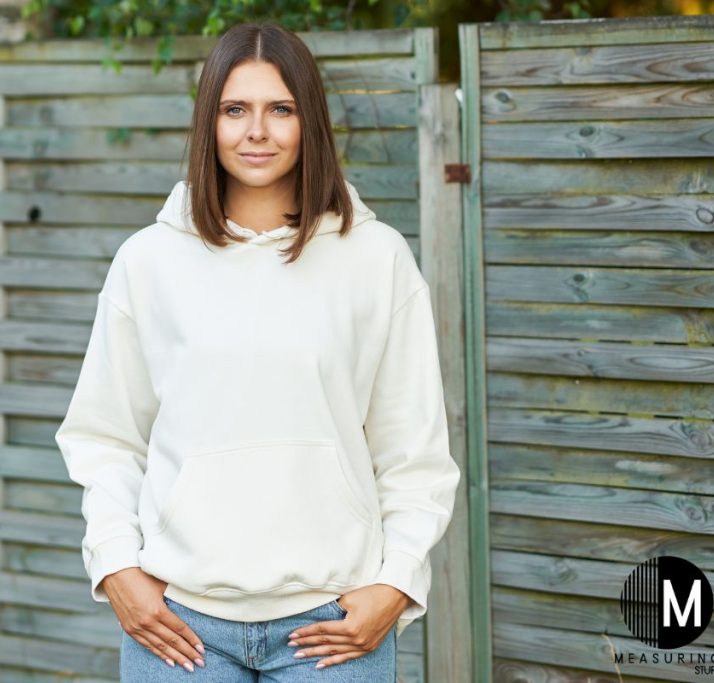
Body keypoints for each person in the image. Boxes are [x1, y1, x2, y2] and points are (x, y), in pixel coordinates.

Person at [55, 20, 461, 681]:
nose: (256, 131)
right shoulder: (149, 261)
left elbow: (414, 452)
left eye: (281, 109)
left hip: (331, 628)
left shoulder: (375, 258)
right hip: (179, 627)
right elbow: (105, 437)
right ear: (208, 123)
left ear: (311, 124)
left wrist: (397, 582)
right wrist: (116, 565)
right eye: (235, 109)